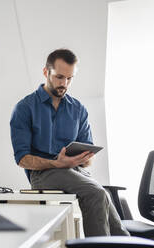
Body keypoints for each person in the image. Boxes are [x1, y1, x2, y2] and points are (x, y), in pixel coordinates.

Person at [10, 48, 129, 237]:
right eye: (59, 77)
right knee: (96, 193)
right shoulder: (25, 108)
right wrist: (57, 163)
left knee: (104, 195)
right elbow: (22, 159)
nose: (64, 83)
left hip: (75, 171)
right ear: (45, 72)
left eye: (69, 78)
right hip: (43, 174)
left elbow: (88, 158)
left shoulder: (78, 109)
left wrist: (81, 158)